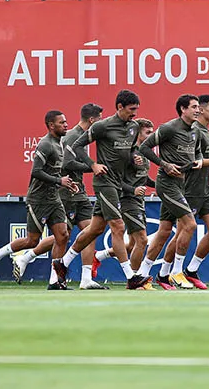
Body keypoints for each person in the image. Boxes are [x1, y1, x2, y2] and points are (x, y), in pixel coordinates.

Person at [60, 90, 152, 290]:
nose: (134, 113)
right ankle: (131, 276)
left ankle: (62, 262)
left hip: (117, 183)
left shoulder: (134, 127)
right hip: (104, 182)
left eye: (136, 109)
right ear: (119, 107)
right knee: (118, 227)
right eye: (131, 109)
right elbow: (77, 146)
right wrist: (93, 165)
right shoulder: (103, 126)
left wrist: (134, 156)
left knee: (95, 229)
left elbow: (129, 150)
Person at [10, 104, 105, 289]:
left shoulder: (83, 137)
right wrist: (93, 167)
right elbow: (66, 165)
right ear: (92, 120)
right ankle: (29, 260)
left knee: (90, 232)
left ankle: (86, 279)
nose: (101, 124)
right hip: (66, 192)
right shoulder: (70, 137)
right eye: (100, 120)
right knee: (62, 236)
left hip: (80, 191)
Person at [0, 110, 78, 290]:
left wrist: (65, 184)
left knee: (63, 235)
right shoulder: (45, 144)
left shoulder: (59, 144)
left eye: (66, 122)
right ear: (51, 125)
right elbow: (36, 172)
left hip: (54, 198)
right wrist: (59, 180)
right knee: (32, 241)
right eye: (62, 122)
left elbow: (54, 173)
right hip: (38, 199)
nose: (66, 125)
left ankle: (55, 281)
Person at [154, 95, 209, 290]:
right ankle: (165, 273)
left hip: (206, 189)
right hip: (190, 190)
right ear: (201, 111)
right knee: (182, 231)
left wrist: (208, 165)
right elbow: (193, 163)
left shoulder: (203, 131)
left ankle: (191, 270)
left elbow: (198, 160)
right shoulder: (192, 129)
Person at [137, 94, 203, 289]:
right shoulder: (169, 128)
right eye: (193, 107)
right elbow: (144, 147)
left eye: (198, 106)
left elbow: (197, 151)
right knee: (189, 224)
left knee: (165, 231)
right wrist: (164, 164)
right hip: (166, 184)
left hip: (181, 183)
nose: (197, 110)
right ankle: (176, 272)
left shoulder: (195, 131)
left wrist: (198, 160)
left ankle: (142, 275)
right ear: (183, 109)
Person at [92, 118, 156, 290]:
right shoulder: (128, 153)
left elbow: (142, 178)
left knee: (133, 244)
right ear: (138, 133)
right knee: (142, 240)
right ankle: (135, 280)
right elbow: (116, 179)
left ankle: (100, 255)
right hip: (127, 199)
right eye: (148, 132)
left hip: (138, 200)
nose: (152, 135)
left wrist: (159, 185)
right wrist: (132, 190)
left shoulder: (143, 152)